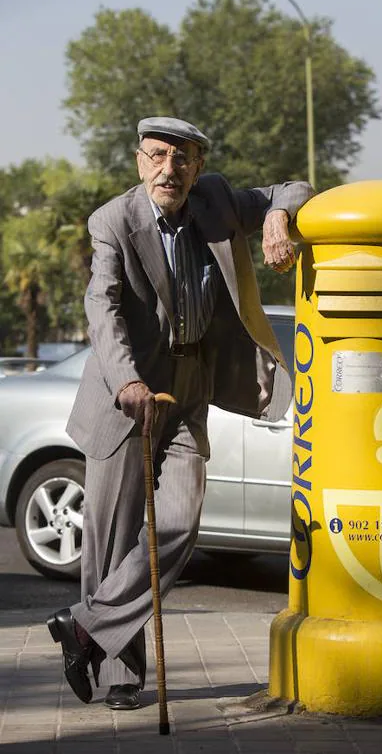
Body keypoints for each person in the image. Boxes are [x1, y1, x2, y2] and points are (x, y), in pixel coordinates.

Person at [47, 116, 314, 711]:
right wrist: (129, 381)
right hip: (130, 397)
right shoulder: (113, 221)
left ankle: (84, 627)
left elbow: (299, 188)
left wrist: (275, 216)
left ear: (197, 164)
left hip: (189, 389)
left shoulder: (216, 199)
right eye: (158, 155)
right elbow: (103, 309)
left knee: (177, 524)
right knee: (113, 543)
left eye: (183, 157)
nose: (170, 168)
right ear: (140, 160)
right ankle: (119, 678)